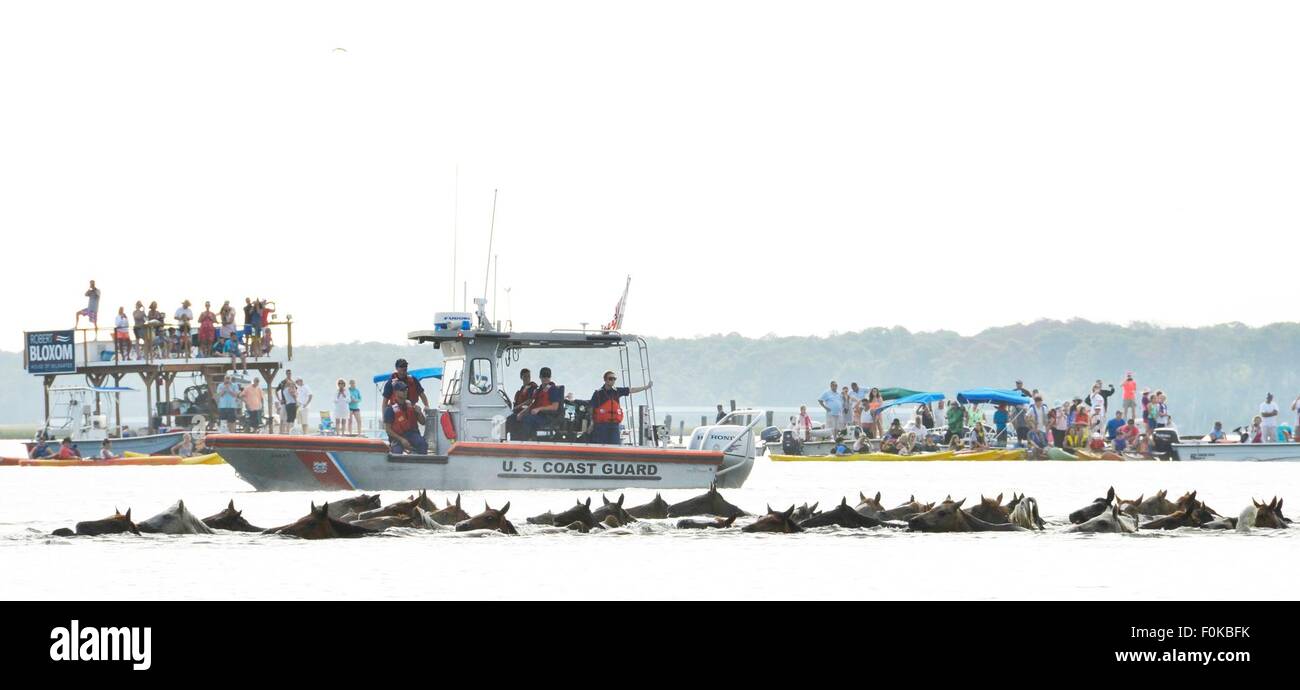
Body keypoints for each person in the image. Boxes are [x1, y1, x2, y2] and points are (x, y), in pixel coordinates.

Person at [589, 371, 653, 445]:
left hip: (615, 425)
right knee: (601, 445)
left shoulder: (617, 391)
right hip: (602, 425)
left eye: (614, 379)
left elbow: (631, 390)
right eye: (610, 378)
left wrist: (646, 387)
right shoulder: (598, 393)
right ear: (605, 380)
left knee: (615, 445)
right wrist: (591, 423)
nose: (613, 380)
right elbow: (591, 407)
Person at [384, 381, 427, 454]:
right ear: (396, 392)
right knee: (397, 451)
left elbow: (423, 422)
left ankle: (420, 462)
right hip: (397, 437)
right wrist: (401, 440)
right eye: (402, 390)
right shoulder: (390, 409)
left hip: (412, 434)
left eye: (406, 389)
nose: (405, 391)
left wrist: (419, 413)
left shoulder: (411, 406)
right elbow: (388, 429)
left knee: (422, 443)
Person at [508, 369, 539, 439]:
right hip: (519, 409)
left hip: (527, 409)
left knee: (512, 417)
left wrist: (517, 407)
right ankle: (513, 438)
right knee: (509, 417)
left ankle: (521, 438)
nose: (527, 378)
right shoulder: (522, 388)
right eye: (525, 376)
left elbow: (530, 400)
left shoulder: (533, 387)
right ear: (521, 377)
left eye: (528, 376)